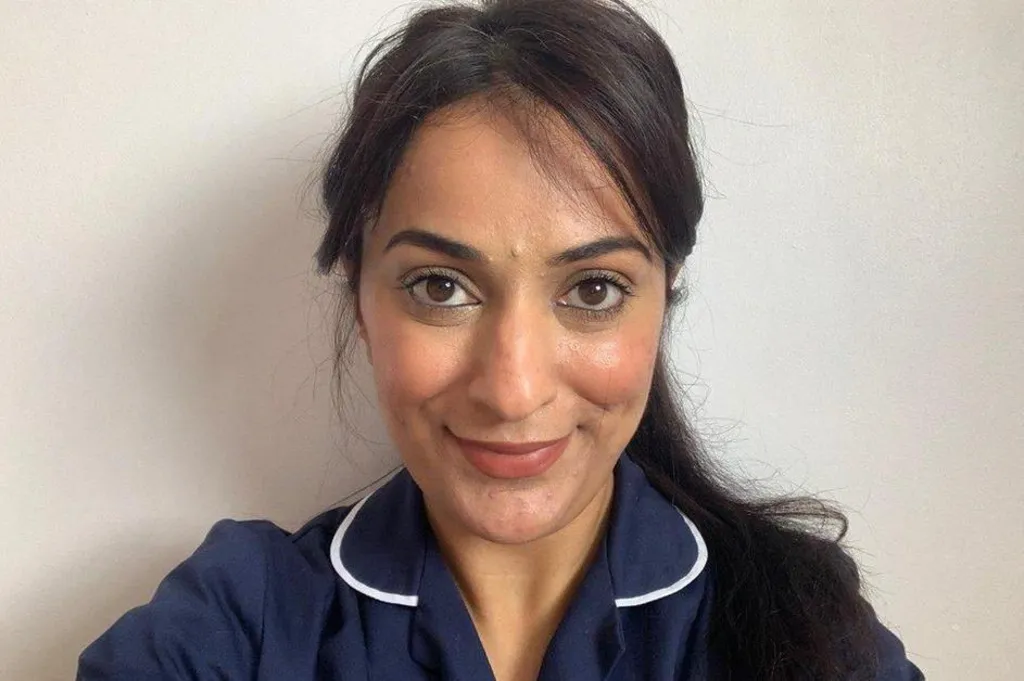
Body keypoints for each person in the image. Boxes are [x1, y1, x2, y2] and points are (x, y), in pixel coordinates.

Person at [77, 0, 925, 679]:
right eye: (440, 287)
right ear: (361, 300)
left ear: (663, 302)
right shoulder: (242, 620)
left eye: (593, 289)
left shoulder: (805, 631)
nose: (513, 389)